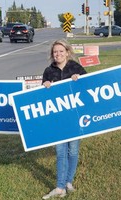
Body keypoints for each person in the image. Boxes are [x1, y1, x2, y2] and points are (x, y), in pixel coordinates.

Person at [41, 39, 87, 199]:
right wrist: (45, 85)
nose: (58, 54)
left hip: (75, 117)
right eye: (55, 52)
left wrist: (79, 80)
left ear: (67, 52)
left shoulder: (76, 67)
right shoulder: (48, 71)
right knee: (61, 152)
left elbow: (89, 88)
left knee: (73, 151)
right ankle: (60, 187)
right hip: (58, 120)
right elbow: (42, 96)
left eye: (61, 51)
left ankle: (68, 182)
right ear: (52, 55)